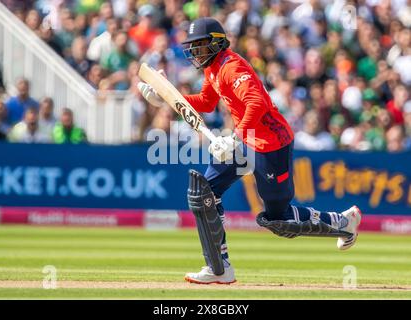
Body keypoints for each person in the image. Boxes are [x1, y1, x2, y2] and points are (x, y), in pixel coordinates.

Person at [138, 17, 362, 285]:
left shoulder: (231, 67)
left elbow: (256, 103)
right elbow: (207, 103)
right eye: (193, 48)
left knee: (278, 219)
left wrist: (235, 137)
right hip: (246, 139)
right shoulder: (212, 68)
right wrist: (168, 97)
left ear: (216, 44)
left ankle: (343, 223)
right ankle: (219, 268)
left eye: (199, 46)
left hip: (271, 143)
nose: (195, 53)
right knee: (204, 192)